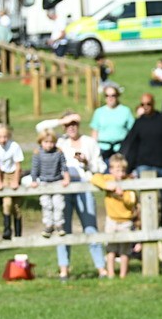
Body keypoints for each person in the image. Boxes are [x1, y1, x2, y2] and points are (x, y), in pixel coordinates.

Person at [36, 112, 108, 279]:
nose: (72, 127)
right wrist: (62, 119)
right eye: (68, 124)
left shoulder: (89, 142)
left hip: (84, 185)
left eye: (74, 123)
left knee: (90, 227)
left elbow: (100, 167)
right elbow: (40, 128)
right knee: (63, 229)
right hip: (63, 188)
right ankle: (64, 269)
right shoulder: (59, 142)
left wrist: (86, 161)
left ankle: (101, 267)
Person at [121, 92, 162, 224]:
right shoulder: (139, 123)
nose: (146, 107)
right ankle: (148, 224)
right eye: (142, 104)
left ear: (153, 104)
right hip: (144, 165)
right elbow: (130, 144)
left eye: (148, 104)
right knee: (146, 197)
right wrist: (126, 167)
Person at [87, 154, 137, 278]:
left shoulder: (129, 182)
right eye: (117, 170)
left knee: (125, 249)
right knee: (111, 248)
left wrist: (122, 195)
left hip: (126, 221)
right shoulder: (108, 179)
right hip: (111, 220)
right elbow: (95, 178)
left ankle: (123, 275)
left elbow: (132, 201)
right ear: (111, 170)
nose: (120, 173)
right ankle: (110, 274)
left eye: (123, 170)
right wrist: (107, 186)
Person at [29, 130, 71, 238]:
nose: (49, 145)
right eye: (46, 142)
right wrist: (34, 180)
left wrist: (66, 178)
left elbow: (64, 166)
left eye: (51, 142)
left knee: (58, 203)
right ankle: (48, 224)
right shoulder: (38, 153)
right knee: (46, 203)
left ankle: (59, 224)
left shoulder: (58, 152)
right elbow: (35, 168)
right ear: (41, 142)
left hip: (56, 180)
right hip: (44, 181)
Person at [90, 85, 135, 166]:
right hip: (103, 148)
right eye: (107, 95)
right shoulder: (99, 112)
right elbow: (94, 132)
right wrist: (93, 149)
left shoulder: (125, 111)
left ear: (117, 96)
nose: (110, 98)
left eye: (113, 95)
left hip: (121, 149)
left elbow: (132, 132)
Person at [0, 122, 24, 239]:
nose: (2, 140)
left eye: (5, 137)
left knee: (16, 206)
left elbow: (18, 165)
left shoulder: (14, 146)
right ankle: (7, 230)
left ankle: (18, 233)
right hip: (3, 175)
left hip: (14, 173)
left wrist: (15, 180)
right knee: (7, 203)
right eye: (0, 137)